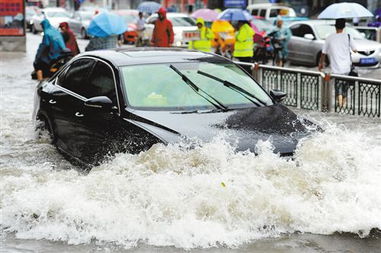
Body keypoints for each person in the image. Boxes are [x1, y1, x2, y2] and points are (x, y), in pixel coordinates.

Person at [318, 18, 357, 108]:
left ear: (335, 27)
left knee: (338, 86)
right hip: (346, 67)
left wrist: (321, 64)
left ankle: (338, 100)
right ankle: (343, 101)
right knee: (345, 86)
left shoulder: (329, 37)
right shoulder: (348, 36)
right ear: (344, 26)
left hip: (335, 68)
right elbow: (355, 50)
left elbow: (323, 53)